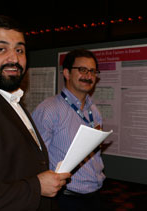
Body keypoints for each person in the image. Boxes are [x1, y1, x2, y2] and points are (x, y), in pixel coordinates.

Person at [0, 15, 71, 211]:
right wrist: (37, 186)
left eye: (20, 50)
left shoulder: (10, 99)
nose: (14, 58)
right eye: (1, 49)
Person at [32, 48, 105, 211]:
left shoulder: (94, 110)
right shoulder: (49, 109)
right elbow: (35, 157)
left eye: (93, 71)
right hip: (65, 198)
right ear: (66, 73)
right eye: (82, 70)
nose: (88, 76)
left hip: (94, 194)